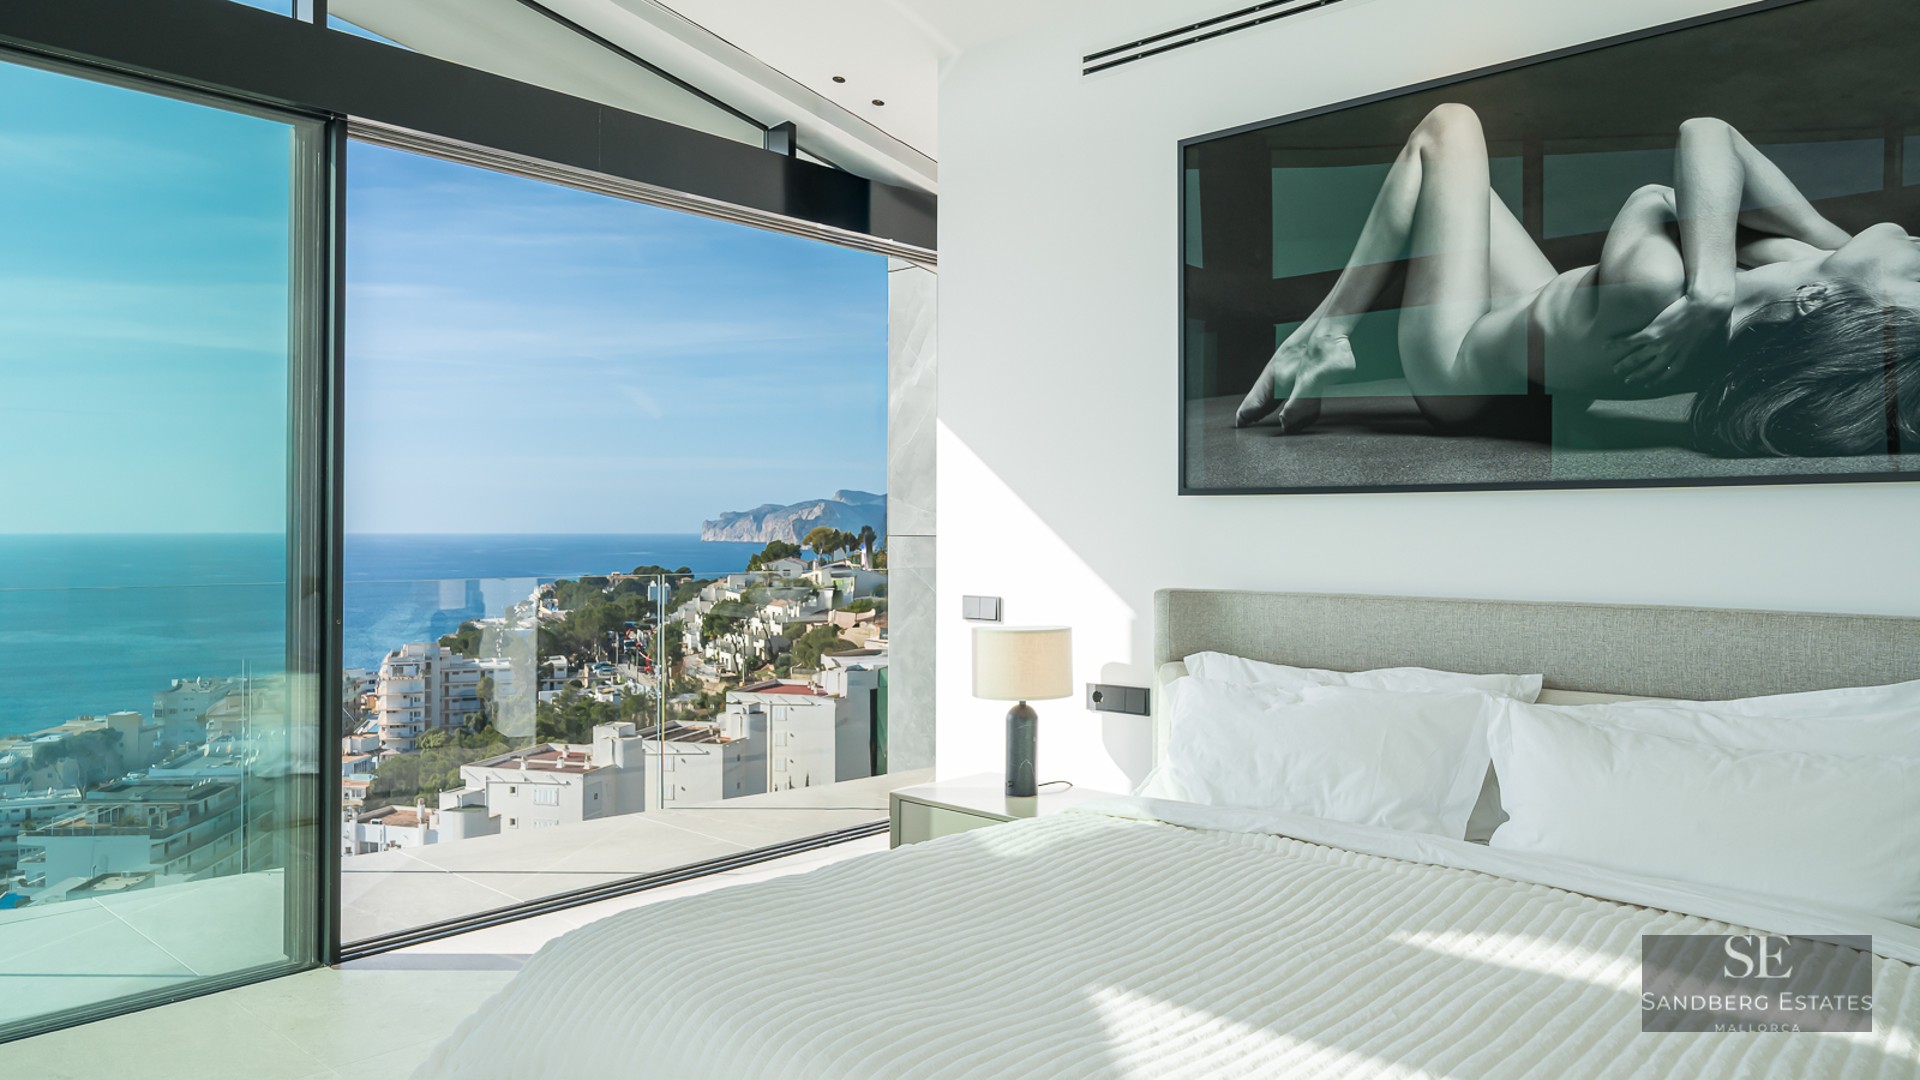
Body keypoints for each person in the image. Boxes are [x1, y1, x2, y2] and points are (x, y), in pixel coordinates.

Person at [1233, 103, 1920, 456]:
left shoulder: (1660, 291)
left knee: (1448, 128)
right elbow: (1721, 143)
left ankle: (1326, 332)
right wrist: (1731, 273)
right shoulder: (1798, 270)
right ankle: (1322, 338)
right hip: (1541, 362)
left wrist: (1707, 285)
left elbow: (1661, 187)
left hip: (1462, 372)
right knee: (1442, 182)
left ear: (1818, 300)